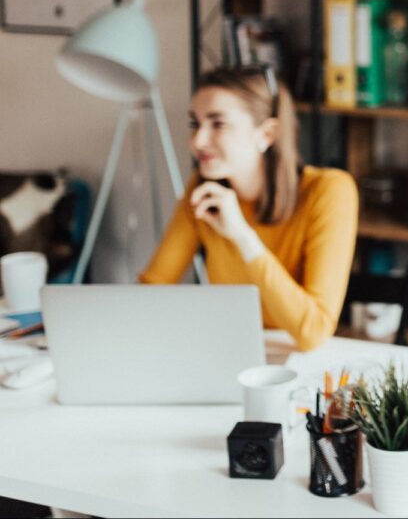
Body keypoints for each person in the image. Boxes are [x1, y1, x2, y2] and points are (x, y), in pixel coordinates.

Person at [140, 66, 358, 352]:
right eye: (195, 124)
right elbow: (151, 289)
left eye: (218, 124)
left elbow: (313, 331)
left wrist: (243, 236)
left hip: (293, 361)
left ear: (267, 134)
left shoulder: (329, 191)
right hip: (230, 350)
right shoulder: (203, 191)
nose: (197, 141)